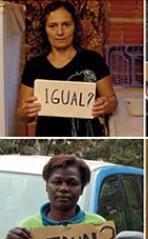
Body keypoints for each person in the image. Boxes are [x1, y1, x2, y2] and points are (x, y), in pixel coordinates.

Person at [2, 155, 137, 239]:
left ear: (82, 189)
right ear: (47, 187)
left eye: (72, 183)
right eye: (57, 182)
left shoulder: (97, 224)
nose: (63, 188)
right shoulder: (28, 228)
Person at [17, 1, 117, 137]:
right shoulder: (34, 66)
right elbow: (23, 115)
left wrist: (106, 105)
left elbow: (112, 101)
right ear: (44, 30)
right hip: (48, 134)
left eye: (66, 25)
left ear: (75, 27)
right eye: (53, 26)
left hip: (88, 134)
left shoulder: (93, 60)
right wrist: (26, 111)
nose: (60, 32)